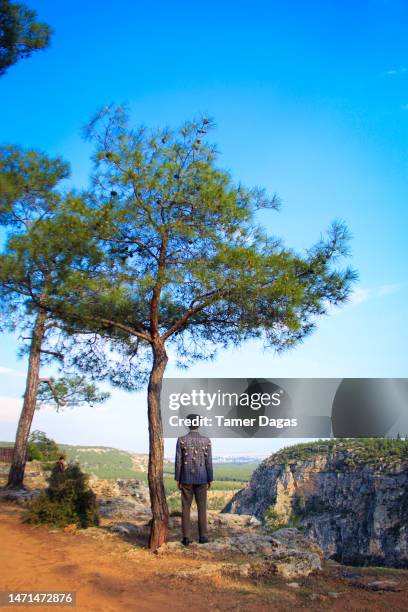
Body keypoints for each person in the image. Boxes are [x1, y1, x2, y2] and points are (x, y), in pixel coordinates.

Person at [174, 413, 213, 546]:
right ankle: (203, 537)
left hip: (186, 478)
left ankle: (186, 538)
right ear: (199, 424)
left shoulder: (181, 440)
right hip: (202, 478)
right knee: (202, 507)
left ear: (188, 424)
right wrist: (210, 478)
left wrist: (177, 478)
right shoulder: (206, 440)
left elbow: (178, 462)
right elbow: (209, 462)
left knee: (186, 507)